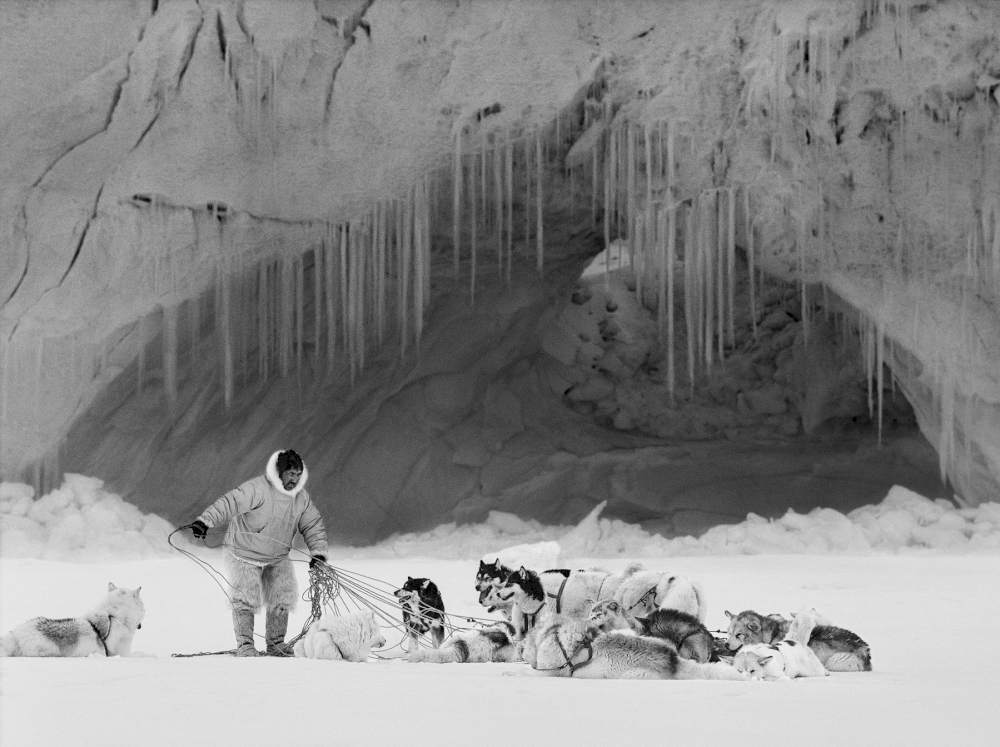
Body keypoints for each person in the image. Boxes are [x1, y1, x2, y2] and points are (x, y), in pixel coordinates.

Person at [185, 449, 328, 657]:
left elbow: (312, 524)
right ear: (279, 473)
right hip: (243, 553)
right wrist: (205, 521)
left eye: (298, 475)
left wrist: (319, 553)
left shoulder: (301, 498)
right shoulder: (257, 489)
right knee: (245, 598)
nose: (294, 479)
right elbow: (230, 503)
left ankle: (276, 644)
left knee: (283, 596)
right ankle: (245, 646)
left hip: (278, 556)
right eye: (290, 474)